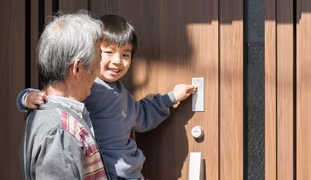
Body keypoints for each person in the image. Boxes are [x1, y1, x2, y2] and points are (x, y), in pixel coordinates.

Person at [17, 14, 196, 180]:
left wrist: (171, 97)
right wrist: (26, 97)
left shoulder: (123, 95)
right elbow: (52, 96)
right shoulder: (86, 89)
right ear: (79, 67)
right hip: (109, 173)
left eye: (125, 54)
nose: (117, 61)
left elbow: (142, 114)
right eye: (107, 52)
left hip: (131, 173)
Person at [19, 12, 109, 180]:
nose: (98, 74)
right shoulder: (60, 130)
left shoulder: (53, 118)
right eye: (97, 65)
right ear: (77, 68)